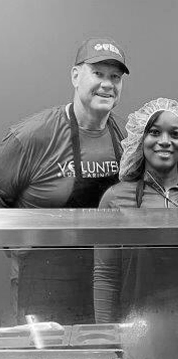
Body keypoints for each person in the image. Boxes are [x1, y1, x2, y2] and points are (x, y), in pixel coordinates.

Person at [0, 37, 130, 324]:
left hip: (108, 281)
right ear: (75, 76)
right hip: (45, 282)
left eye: (116, 77)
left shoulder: (126, 138)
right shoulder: (33, 136)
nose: (108, 84)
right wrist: (17, 245)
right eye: (98, 74)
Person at [94, 98, 178, 323]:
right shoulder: (114, 198)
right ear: (141, 139)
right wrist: (106, 334)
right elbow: (105, 275)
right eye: (155, 132)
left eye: (175, 134)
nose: (165, 141)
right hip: (136, 327)